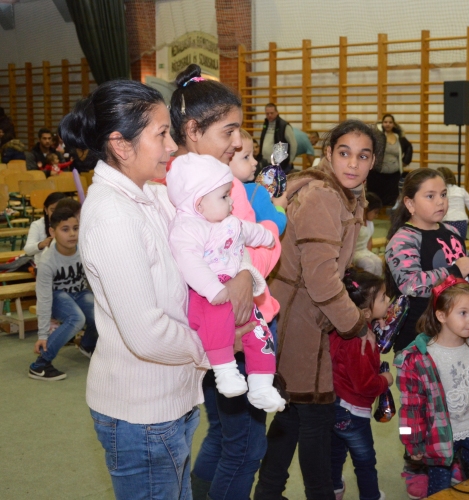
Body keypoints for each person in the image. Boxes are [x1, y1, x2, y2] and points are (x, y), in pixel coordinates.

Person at [64, 78, 255, 498]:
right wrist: (221, 346)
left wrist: (243, 272)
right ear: (121, 144)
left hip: (171, 400)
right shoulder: (113, 217)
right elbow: (146, 332)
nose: (172, 146)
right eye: (162, 134)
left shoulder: (152, 193)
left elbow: (216, 228)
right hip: (141, 413)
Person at [167, 64, 279, 500]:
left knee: (224, 436)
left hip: (242, 321)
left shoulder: (220, 180)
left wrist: (247, 273)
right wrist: (237, 279)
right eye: (229, 131)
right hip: (217, 329)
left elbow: (263, 246)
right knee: (246, 446)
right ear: (193, 131)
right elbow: (186, 259)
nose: (238, 142)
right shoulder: (187, 189)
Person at [253, 119, 379, 500]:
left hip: (304, 315)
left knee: (292, 415)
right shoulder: (324, 195)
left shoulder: (343, 194)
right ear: (328, 154)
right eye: (344, 153)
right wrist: (356, 323)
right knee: (315, 417)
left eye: (363, 156)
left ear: (373, 162)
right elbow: (322, 280)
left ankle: (268, 492)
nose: (353, 164)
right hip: (301, 319)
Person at [385, 168, 469, 499]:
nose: (440, 202)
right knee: (419, 409)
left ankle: (447, 457)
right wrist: (457, 270)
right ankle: (414, 463)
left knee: (453, 404)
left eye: (443, 194)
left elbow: (458, 287)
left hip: (452, 340)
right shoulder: (403, 238)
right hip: (417, 340)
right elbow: (412, 284)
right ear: (410, 203)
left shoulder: (452, 232)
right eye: (430, 196)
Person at [166, 153, 285, 410]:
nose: (231, 202)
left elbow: (249, 231)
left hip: (237, 293)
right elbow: (188, 261)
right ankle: (225, 371)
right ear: (199, 205)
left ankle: (262, 386)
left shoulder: (228, 222)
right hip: (209, 294)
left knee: (260, 332)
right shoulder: (187, 228)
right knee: (217, 326)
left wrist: (267, 237)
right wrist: (212, 289)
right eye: (223, 196)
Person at [395, 277, 469, 496]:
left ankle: (464, 457)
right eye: (463, 313)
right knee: (439, 491)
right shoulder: (421, 359)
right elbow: (410, 409)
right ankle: (453, 461)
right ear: (441, 316)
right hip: (439, 435)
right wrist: (412, 443)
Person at [329, 269, 393, 500]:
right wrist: (385, 380)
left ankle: (334, 488)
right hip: (353, 411)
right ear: (365, 312)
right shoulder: (360, 344)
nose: (388, 301)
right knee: (365, 459)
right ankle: (370, 496)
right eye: (384, 297)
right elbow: (365, 385)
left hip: (334, 403)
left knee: (335, 451)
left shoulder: (339, 327)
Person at [28, 202, 98, 380]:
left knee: (101, 312)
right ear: (52, 233)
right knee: (76, 318)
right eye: (65, 229)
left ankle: (88, 345)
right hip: (56, 298)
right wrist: (42, 335)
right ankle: (40, 364)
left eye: (75, 228)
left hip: (79, 293)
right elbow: (43, 299)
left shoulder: (85, 249)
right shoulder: (47, 262)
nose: (72, 234)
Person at [231, 129, 288, 234]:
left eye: (253, 155)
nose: (255, 161)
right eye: (246, 157)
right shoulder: (256, 191)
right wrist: (280, 207)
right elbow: (276, 226)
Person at [367, 114, 413, 206]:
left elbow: (409, 148)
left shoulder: (399, 137)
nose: (388, 124)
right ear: (382, 123)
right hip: (377, 174)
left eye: (390, 122)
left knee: (391, 200)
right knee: (375, 199)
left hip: (393, 175)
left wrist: (405, 161)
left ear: (394, 124)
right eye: (385, 122)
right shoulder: (378, 136)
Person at [435, 167, 469, 240]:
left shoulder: (439, 192)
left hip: (445, 222)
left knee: (445, 246)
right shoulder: (461, 191)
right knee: (459, 245)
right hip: (461, 223)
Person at [23, 192, 67, 263]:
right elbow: (28, 250)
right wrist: (41, 244)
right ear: (46, 210)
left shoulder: (71, 224)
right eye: (52, 210)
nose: (57, 213)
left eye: (60, 210)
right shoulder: (37, 225)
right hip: (42, 267)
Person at [259, 103, 297, 174]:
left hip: (281, 164)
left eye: (271, 113)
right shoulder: (265, 124)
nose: (269, 115)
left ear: (277, 112)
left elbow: (293, 144)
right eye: (267, 113)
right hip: (266, 163)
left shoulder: (284, 126)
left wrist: (291, 160)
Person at [353, 192, 384, 276]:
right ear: (366, 209)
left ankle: (375, 286)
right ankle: (366, 287)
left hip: (364, 251)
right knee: (369, 264)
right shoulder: (355, 223)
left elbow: (369, 241)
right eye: (375, 212)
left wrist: (369, 254)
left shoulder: (370, 223)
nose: (376, 216)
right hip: (354, 253)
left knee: (378, 261)